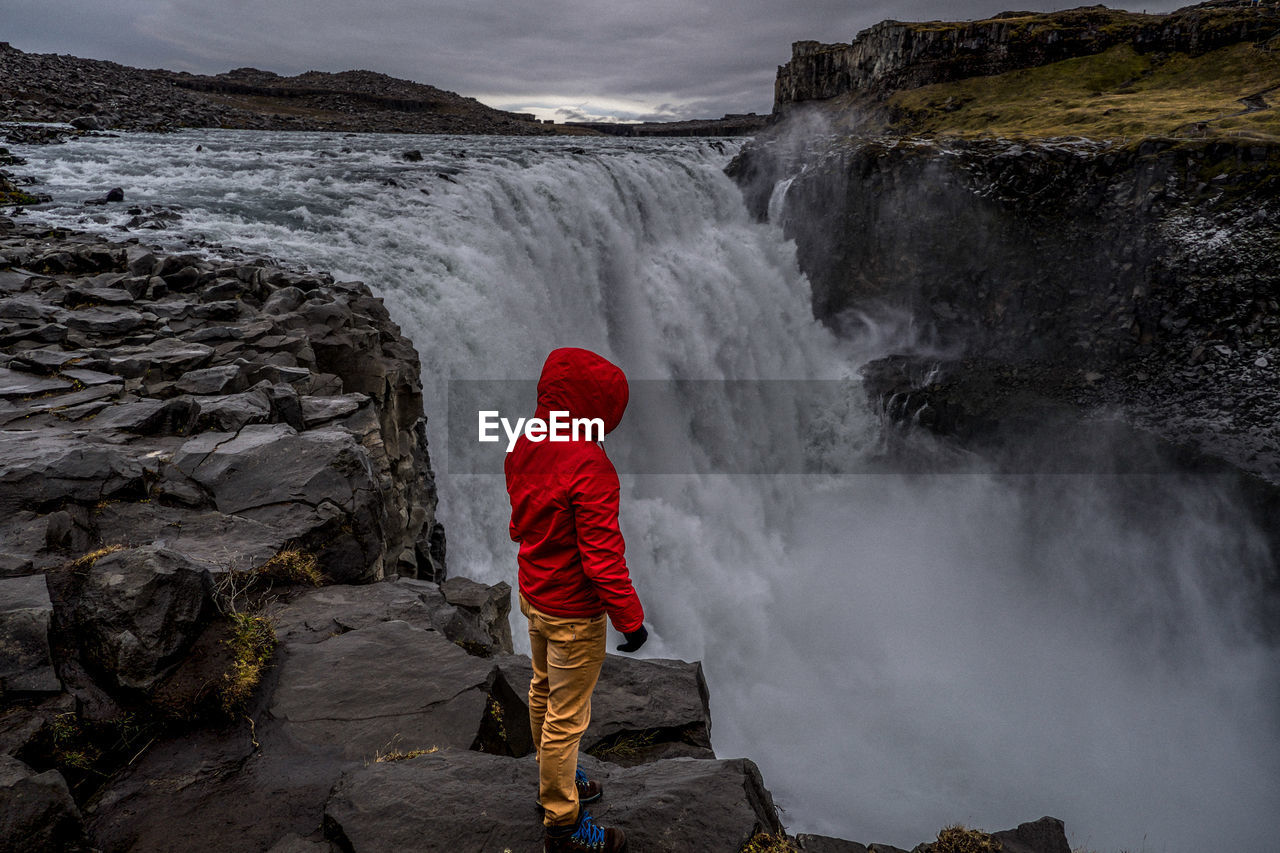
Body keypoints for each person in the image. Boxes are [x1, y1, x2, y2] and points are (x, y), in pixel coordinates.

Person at [505, 347, 649, 853]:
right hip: (574, 613)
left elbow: (521, 515)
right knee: (568, 717)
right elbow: (602, 559)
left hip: (534, 595)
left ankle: (557, 776)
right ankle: (563, 826)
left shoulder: (525, 439)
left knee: (542, 690)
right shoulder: (591, 467)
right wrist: (631, 621)